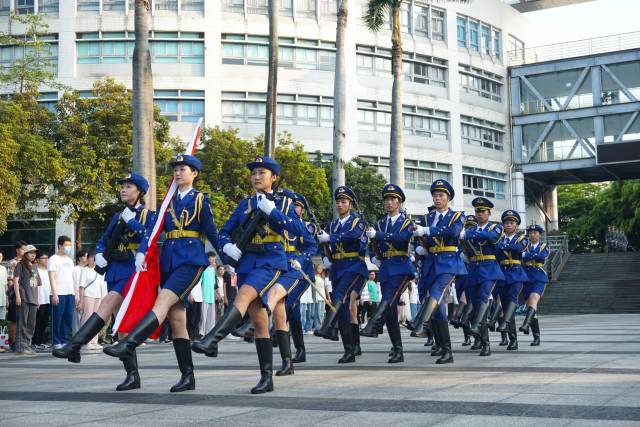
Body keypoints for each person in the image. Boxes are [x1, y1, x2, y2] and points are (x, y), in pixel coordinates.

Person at [102, 157, 220, 394]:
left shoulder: (200, 200)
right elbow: (153, 231)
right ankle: (188, 376)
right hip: (169, 261)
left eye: (182, 169)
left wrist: (230, 260)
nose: (177, 173)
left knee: (163, 301)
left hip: (190, 260)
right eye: (175, 169)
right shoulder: (168, 202)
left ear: (194, 173)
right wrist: (142, 252)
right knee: (177, 321)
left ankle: (129, 343)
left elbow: (212, 233)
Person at [192, 156, 304, 394]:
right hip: (246, 263)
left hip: (270, 261)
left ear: (273, 177)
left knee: (242, 297)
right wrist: (226, 247)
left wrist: (273, 213)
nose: (256, 177)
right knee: (261, 320)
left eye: (261, 173)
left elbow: (298, 229)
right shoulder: (245, 204)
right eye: (253, 173)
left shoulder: (283, 203)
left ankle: (212, 339)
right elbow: (225, 231)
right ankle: (266, 377)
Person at [52, 173, 155, 392]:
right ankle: (132, 376)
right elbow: (104, 239)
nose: (123, 190)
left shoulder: (148, 215)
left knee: (106, 305)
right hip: (116, 270)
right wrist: (98, 253)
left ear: (140, 192)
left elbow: (149, 236)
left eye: (128, 186)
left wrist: (132, 221)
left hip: (133, 271)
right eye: (122, 186)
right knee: (123, 327)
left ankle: (74, 345)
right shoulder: (117, 216)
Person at [411, 179, 466, 364]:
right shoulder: (426, 218)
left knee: (435, 293)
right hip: (430, 263)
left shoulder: (458, 216)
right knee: (439, 308)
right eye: (435, 196)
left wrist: (427, 231)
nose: (437, 199)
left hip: (449, 263)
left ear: (448, 198)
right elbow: (421, 239)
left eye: (441, 195)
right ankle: (446, 349)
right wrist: (420, 245)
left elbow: (452, 232)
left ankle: (421, 324)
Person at [360, 184, 415, 364]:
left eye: (393, 199)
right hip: (386, 269)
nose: (389, 202)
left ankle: (373, 325)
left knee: (389, 298)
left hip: (401, 267)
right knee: (390, 309)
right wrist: (374, 258)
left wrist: (380, 235)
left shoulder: (407, 222)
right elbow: (372, 247)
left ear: (399, 202)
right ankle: (397, 348)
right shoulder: (379, 223)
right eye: (387, 200)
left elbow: (402, 239)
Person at [314, 186, 368, 364]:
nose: (340, 204)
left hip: (354, 268)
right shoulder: (331, 225)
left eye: (343, 202)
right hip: (337, 268)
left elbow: (353, 237)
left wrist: (330, 238)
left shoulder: (357, 222)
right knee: (344, 308)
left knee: (341, 298)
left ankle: (327, 326)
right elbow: (323, 246)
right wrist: (325, 257)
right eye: (337, 202)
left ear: (350, 205)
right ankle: (349, 349)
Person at [462, 197, 505, 357]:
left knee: (483, 299)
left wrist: (471, 235)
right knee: (475, 304)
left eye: (482, 211)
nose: (479, 214)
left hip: (489, 269)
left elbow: (492, 238)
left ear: (489, 213)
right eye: (477, 212)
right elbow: (465, 246)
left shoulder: (496, 227)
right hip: (473, 269)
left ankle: (484, 342)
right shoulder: (471, 230)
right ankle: (480, 338)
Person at [495, 210, 529, 351]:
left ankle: (505, 327)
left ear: (516, 224)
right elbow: (495, 252)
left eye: (511, 223)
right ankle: (512, 339)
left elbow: (518, 248)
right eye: (506, 223)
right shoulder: (499, 239)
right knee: (505, 304)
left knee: (512, 300)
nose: (508, 225)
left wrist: (502, 246)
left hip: (516, 273)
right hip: (502, 274)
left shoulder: (522, 238)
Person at [520, 224, 551, 346]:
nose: (532, 235)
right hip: (526, 278)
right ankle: (536, 336)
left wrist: (527, 255)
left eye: (535, 232)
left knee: (533, 300)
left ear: (540, 234)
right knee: (531, 308)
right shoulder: (524, 246)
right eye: (530, 232)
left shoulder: (544, 246)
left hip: (539, 278)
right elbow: (520, 257)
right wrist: (530, 255)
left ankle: (526, 324)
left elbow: (541, 258)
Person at [48, 236, 78, 350]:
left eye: (70, 245)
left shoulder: (69, 260)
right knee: (57, 318)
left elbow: (73, 277)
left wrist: (75, 294)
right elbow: (51, 277)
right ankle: (56, 341)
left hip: (70, 293)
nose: (68, 248)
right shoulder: (53, 259)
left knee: (68, 318)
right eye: (66, 245)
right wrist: (55, 294)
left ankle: (64, 340)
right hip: (58, 293)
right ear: (60, 245)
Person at [13, 244, 41, 356]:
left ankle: (28, 346)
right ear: (25, 254)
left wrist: (37, 299)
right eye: (31, 252)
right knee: (22, 323)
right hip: (24, 297)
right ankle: (20, 347)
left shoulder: (34, 266)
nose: (33, 255)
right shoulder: (20, 265)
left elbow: (36, 284)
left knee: (31, 324)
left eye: (34, 253)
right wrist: (18, 296)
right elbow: (15, 281)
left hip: (33, 298)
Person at [78, 254, 107, 350]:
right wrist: (81, 301)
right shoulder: (85, 270)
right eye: (91, 258)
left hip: (98, 296)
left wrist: (104, 299)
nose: (93, 260)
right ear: (88, 259)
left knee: (96, 320)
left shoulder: (99, 271)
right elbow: (82, 286)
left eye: (95, 258)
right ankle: (85, 341)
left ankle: (94, 341)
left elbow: (102, 285)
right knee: (87, 318)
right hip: (88, 296)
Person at [6, 241, 27, 351]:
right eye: (23, 249)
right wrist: (12, 296)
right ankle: (13, 343)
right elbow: (10, 281)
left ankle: (22, 342)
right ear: (17, 250)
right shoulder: (12, 263)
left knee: (24, 319)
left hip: (26, 295)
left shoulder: (28, 263)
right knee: (14, 319)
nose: (25, 251)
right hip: (15, 294)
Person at [33, 252, 51, 349]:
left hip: (48, 299)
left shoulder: (49, 270)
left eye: (47, 258)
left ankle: (40, 341)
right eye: (43, 258)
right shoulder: (34, 270)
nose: (46, 260)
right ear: (38, 259)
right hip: (39, 300)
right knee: (37, 322)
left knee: (44, 322)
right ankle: (35, 341)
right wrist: (36, 299)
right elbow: (33, 285)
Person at [200, 254, 218, 335]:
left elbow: (214, 284)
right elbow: (200, 283)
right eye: (211, 259)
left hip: (211, 297)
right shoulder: (203, 270)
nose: (213, 261)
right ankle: (202, 332)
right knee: (203, 316)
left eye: (214, 259)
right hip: (204, 296)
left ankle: (210, 332)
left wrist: (216, 294)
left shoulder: (213, 270)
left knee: (211, 316)